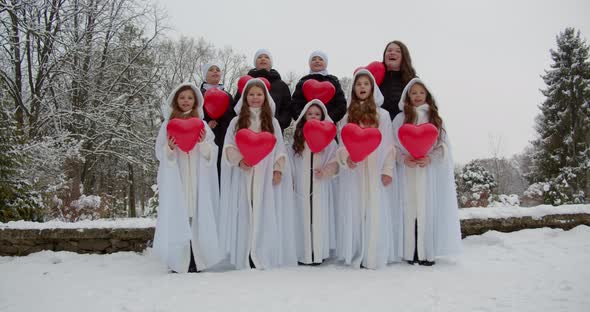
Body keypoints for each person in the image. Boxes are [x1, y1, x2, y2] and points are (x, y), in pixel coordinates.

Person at [218, 78, 297, 269]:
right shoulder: (237, 122)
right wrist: (239, 160)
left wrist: (278, 169)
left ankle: (261, 252)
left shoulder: (272, 122)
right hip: (243, 173)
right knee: (245, 211)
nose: (255, 98)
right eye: (251, 94)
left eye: (259, 94)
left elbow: (279, 148)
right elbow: (229, 145)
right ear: (245, 97)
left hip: (265, 174)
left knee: (264, 210)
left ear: (265, 97)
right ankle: (244, 252)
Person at [335, 69, 402, 269]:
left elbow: (389, 144)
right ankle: (356, 251)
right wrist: (347, 159)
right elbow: (342, 144)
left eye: (366, 83)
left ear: (372, 87)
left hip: (375, 169)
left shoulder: (383, 115)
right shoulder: (347, 116)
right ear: (353, 88)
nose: (362, 87)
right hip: (354, 170)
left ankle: (373, 252)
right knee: (355, 208)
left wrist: (387, 169)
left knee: (374, 208)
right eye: (358, 84)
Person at [152, 83, 223, 273]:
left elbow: (213, 150)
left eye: (190, 98)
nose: (186, 101)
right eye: (182, 97)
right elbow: (160, 153)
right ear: (176, 100)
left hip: (198, 179)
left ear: (196, 101)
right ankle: (179, 259)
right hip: (179, 179)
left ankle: (198, 257)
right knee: (180, 214)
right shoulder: (167, 125)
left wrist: (202, 145)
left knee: (198, 215)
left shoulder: (203, 125)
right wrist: (170, 148)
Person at [392, 78, 462, 266]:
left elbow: (443, 147)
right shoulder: (400, 119)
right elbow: (394, 146)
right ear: (408, 96)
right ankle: (410, 251)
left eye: (421, 92)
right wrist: (403, 159)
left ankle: (426, 252)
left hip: (427, 172)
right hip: (407, 171)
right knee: (408, 209)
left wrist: (430, 158)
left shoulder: (435, 118)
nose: (417, 96)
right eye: (413, 93)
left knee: (426, 209)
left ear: (427, 95)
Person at [290, 99, 338, 265]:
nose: (313, 116)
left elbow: (335, 161)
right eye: (310, 114)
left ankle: (318, 252)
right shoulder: (298, 140)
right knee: (301, 216)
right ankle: (303, 253)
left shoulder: (330, 141)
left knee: (319, 217)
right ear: (304, 116)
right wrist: (292, 181)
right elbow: (292, 162)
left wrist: (326, 171)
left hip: (320, 185)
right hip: (301, 187)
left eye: (317, 114)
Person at [234, 49, 292, 131]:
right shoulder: (246, 83)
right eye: (259, 57)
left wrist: (277, 123)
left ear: (271, 63)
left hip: (273, 130)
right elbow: (237, 104)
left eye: (267, 57)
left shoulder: (281, 85)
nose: (263, 59)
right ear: (255, 62)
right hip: (248, 129)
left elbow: (287, 109)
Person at [290, 51, 347, 123]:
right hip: (306, 125)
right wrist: (302, 118)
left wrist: (329, 119)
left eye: (320, 59)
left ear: (326, 63)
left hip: (328, 126)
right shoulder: (302, 82)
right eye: (314, 59)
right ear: (309, 63)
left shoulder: (333, 81)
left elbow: (341, 104)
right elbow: (295, 103)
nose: (317, 61)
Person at [200, 63, 235, 177]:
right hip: (205, 139)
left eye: (218, 70)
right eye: (211, 70)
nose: (215, 71)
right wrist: (206, 125)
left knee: (222, 170)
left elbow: (233, 116)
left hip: (224, 138)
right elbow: (195, 116)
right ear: (205, 75)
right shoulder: (199, 95)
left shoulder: (228, 95)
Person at [379, 41, 417, 120]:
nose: (392, 53)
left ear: (404, 57)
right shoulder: (374, 78)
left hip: (403, 125)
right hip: (379, 125)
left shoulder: (413, 81)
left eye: (398, 51)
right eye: (389, 50)